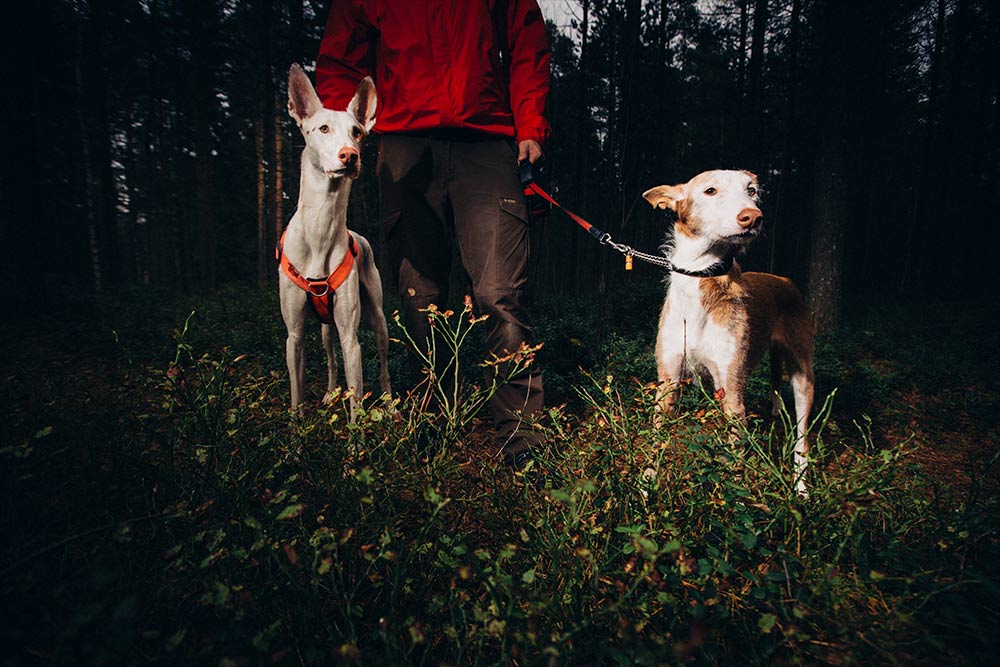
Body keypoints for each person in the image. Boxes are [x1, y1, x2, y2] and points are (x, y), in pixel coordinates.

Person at [316, 0, 550, 469]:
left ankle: (522, 439)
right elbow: (339, 60)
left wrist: (531, 125)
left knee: (500, 292)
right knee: (417, 295)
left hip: (487, 142)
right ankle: (436, 418)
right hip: (404, 145)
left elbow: (528, 42)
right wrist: (346, 132)